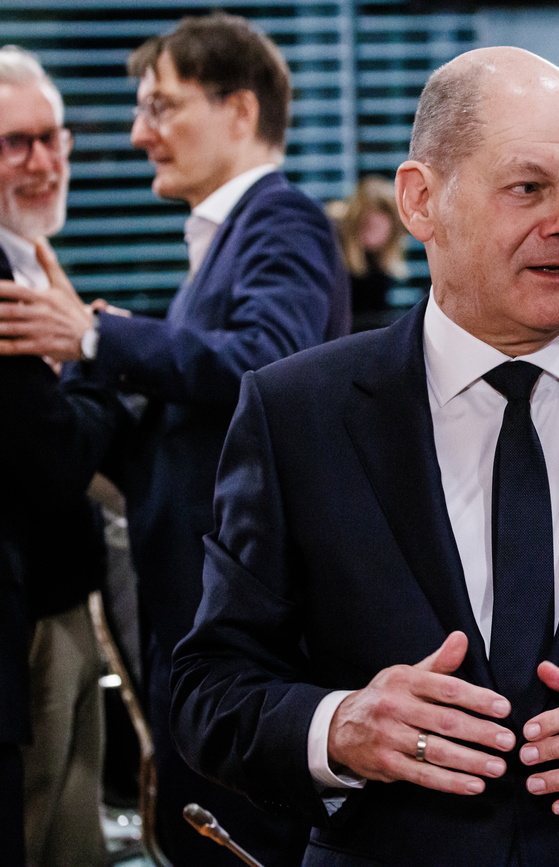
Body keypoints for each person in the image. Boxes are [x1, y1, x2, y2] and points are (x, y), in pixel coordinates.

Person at [169, 46, 559, 866]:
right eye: (529, 188)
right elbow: (210, 688)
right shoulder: (294, 414)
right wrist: (338, 726)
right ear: (421, 200)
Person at [0, 14, 350, 864]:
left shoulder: (283, 220)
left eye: (161, 106)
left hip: (240, 625)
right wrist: (94, 356)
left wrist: (96, 339)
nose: (137, 132)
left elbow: (268, 365)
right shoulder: (226, 242)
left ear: (239, 110)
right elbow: (183, 427)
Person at [0, 45, 128, 865]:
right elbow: (50, 460)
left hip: (59, 608)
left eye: (54, 137)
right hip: (28, 626)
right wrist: (98, 356)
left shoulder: (28, 262)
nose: (44, 161)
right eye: (16, 143)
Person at [326, 174, 409, 324]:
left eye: (378, 228)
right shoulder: (332, 254)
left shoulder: (380, 268)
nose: (373, 232)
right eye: (367, 226)